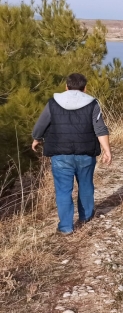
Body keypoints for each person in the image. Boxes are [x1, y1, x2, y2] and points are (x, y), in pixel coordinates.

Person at [31, 73, 112, 235]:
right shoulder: (92, 103)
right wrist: (107, 150)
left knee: (63, 190)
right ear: (85, 88)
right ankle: (86, 217)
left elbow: (41, 123)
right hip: (86, 154)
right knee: (86, 185)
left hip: (60, 154)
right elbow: (100, 128)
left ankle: (66, 227)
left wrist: (36, 138)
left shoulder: (53, 102)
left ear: (66, 87)